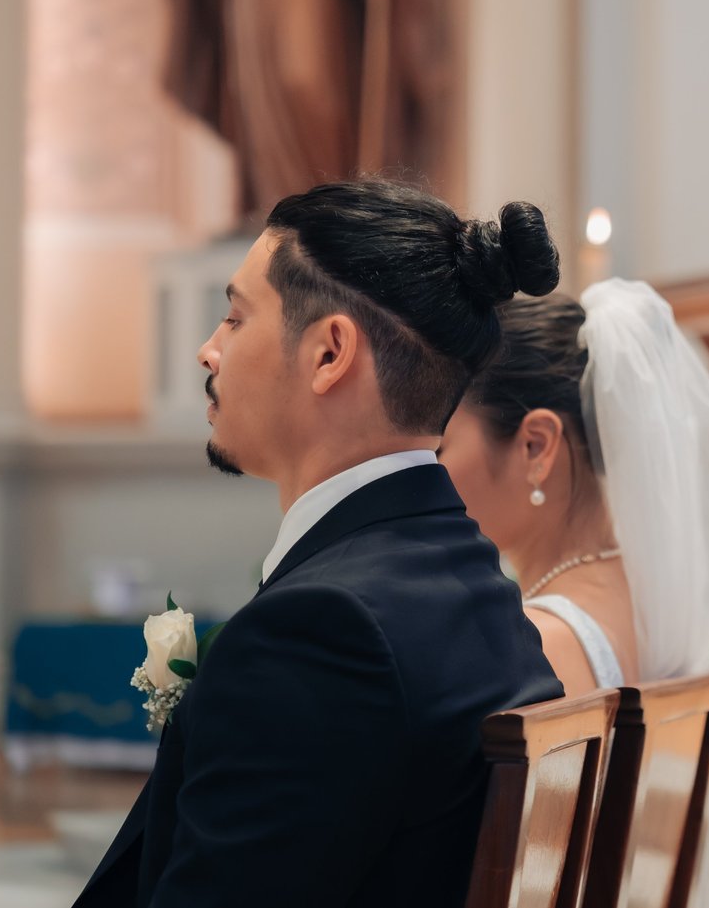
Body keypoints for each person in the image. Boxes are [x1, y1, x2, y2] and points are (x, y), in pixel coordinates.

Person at [74, 179, 565, 908]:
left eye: (235, 318)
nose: (209, 351)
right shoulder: (481, 588)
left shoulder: (322, 635)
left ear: (330, 352)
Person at [439, 278, 709, 908]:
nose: (426, 473)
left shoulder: (542, 646)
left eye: (441, 444)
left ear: (536, 447)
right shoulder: (645, 600)